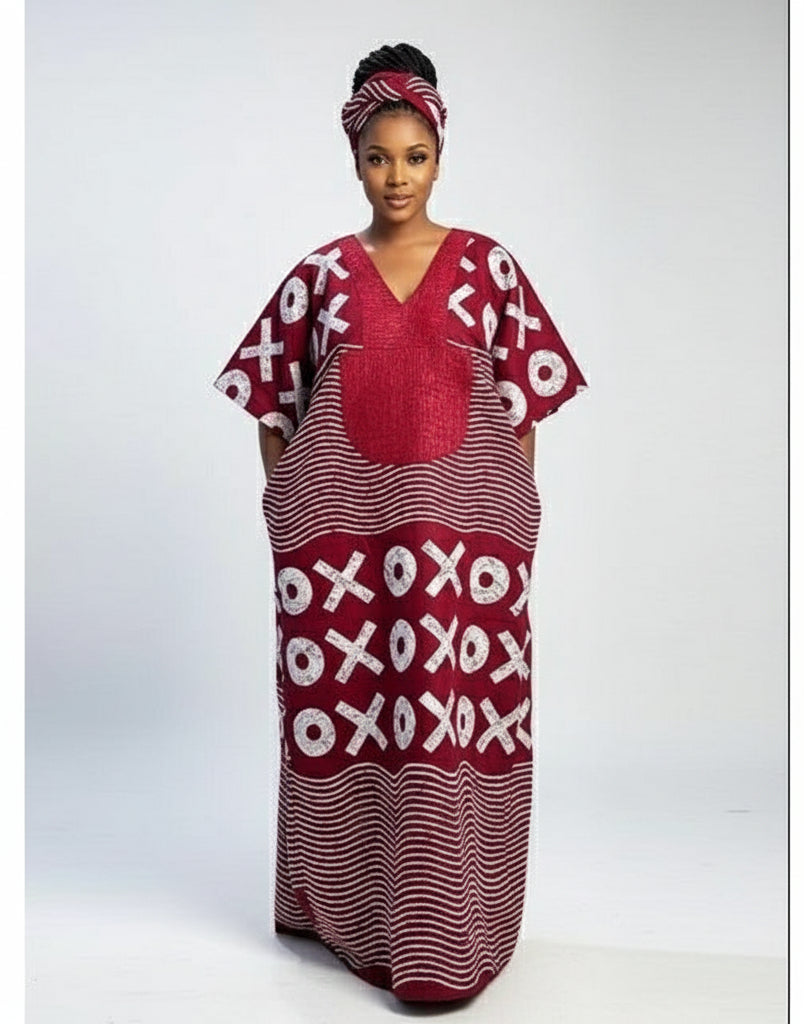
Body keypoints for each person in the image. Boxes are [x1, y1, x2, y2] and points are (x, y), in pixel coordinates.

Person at [211, 42, 588, 1003]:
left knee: (449, 724)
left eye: (414, 156)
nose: (397, 177)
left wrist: (508, 519)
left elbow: (523, 407)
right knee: (347, 720)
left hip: (462, 560)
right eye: (379, 157)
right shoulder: (321, 276)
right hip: (346, 551)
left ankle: (449, 936)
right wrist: (288, 505)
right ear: (353, 158)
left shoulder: (488, 267)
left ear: (440, 155)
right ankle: (336, 910)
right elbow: (272, 401)